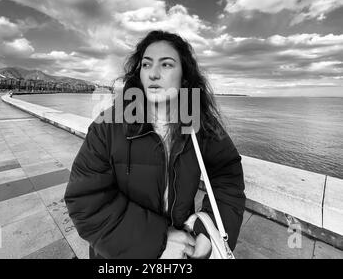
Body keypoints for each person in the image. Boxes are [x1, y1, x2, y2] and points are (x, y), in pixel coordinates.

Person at [64, 30, 246, 259]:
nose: (153, 74)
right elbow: (85, 200)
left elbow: (227, 175)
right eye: (146, 65)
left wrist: (209, 234)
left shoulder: (201, 127)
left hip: (182, 253)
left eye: (167, 65)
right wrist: (157, 243)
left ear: (185, 77)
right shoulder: (107, 127)